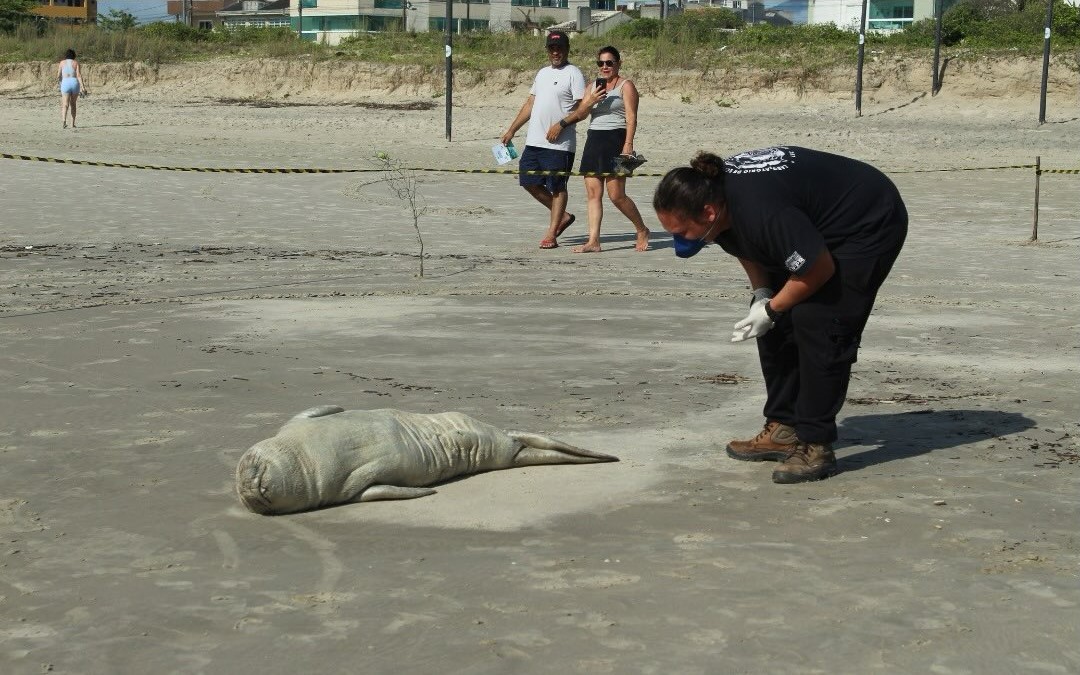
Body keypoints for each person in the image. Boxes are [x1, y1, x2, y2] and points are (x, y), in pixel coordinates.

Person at [652, 146, 908, 484]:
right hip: (804, 216)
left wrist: (774, 308)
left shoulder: (760, 211)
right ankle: (784, 427)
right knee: (773, 320)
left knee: (819, 320)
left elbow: (817, 267)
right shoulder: (715, 196)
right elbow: (743, 244)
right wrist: (763, 297)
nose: (677, 240)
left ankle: (816, 444)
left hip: (866, 219)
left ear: (709, 212)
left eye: (681, 232)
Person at [500, 30, 586, 249]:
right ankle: (563, 216)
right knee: (528, 181)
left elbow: (581, 109)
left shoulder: (573, 73)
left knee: (557, 187)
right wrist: (512, 130)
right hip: (534, 141)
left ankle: (551, 233)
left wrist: (561, 125)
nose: (555, 52)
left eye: (559, 48)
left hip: (560, 145)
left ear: (567, 49)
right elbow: (530, 103)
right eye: (552, 48)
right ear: (548, 50)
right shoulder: (542, 73)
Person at [561, 46, 650, 253]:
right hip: (594, 139)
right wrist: (591, 101)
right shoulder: (593, 86)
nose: (605, 67)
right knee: (593, 193)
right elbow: (581, 115)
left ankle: (641, 229)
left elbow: (631, 117)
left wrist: (628, 144)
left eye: (609, 63)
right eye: (601, 63)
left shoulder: (626, 85)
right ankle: (593, 241)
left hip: (616, 139)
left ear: (618, 63)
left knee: (616, 195)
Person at [57, 49, 85, 129]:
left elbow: (58, 75)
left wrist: (59, 84)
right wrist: (83, 87)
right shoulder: (76, 63)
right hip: (74, 83)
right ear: (73, 55)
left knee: (65, 104)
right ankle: (72, 124)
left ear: (66, 55)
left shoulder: (62, 63)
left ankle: (64, 121)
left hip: (65, 83)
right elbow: (79, 75)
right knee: (73, 104)